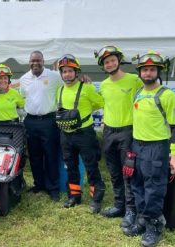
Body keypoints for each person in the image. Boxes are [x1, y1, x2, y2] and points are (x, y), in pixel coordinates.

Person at [122, 51, 175, 247]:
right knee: (137, 185)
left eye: (152, 69)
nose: (148, 73)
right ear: (140, 73)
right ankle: (142, 219)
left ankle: (154, 226)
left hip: (157, 148)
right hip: (137, 146)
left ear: (158, 71)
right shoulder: (139, 92)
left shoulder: (167, 95)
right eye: (145, 70)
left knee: (153, 189)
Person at [96, 46, 143, 228]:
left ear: (119, 60)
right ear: (103, 66)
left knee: (128, 173)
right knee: (114, 171)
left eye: (113, 60)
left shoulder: (134, 80)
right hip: (108, 131)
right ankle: (119, 206)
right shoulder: (105, 85)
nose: (110, 64)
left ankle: (131, 210)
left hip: (128, 131)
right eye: (106, 62)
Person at [56, 54, 106, 213]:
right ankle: (74, 196)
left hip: (85, 133)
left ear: (76, 72)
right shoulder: (60, 90)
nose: (67, 74)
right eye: (64, 71)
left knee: (91, 166)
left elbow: (100, 103)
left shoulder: (88, 88)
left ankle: (95, 199)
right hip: (66, 134)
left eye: (70, 71)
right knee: (70, 166)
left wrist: (84, 114)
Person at [19, 51, 63, 201]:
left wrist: (83, 78)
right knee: (35, 155)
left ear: (43, 61)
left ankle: (53, 187)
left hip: (49, 121)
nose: (35, 63)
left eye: (38, 60)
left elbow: (69, 84)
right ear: (29, 62)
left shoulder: (54, 76)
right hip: (30, 121)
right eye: (32, 60)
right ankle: (39, 184)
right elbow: (23, 96)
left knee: (51, 155)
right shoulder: (24, 79)